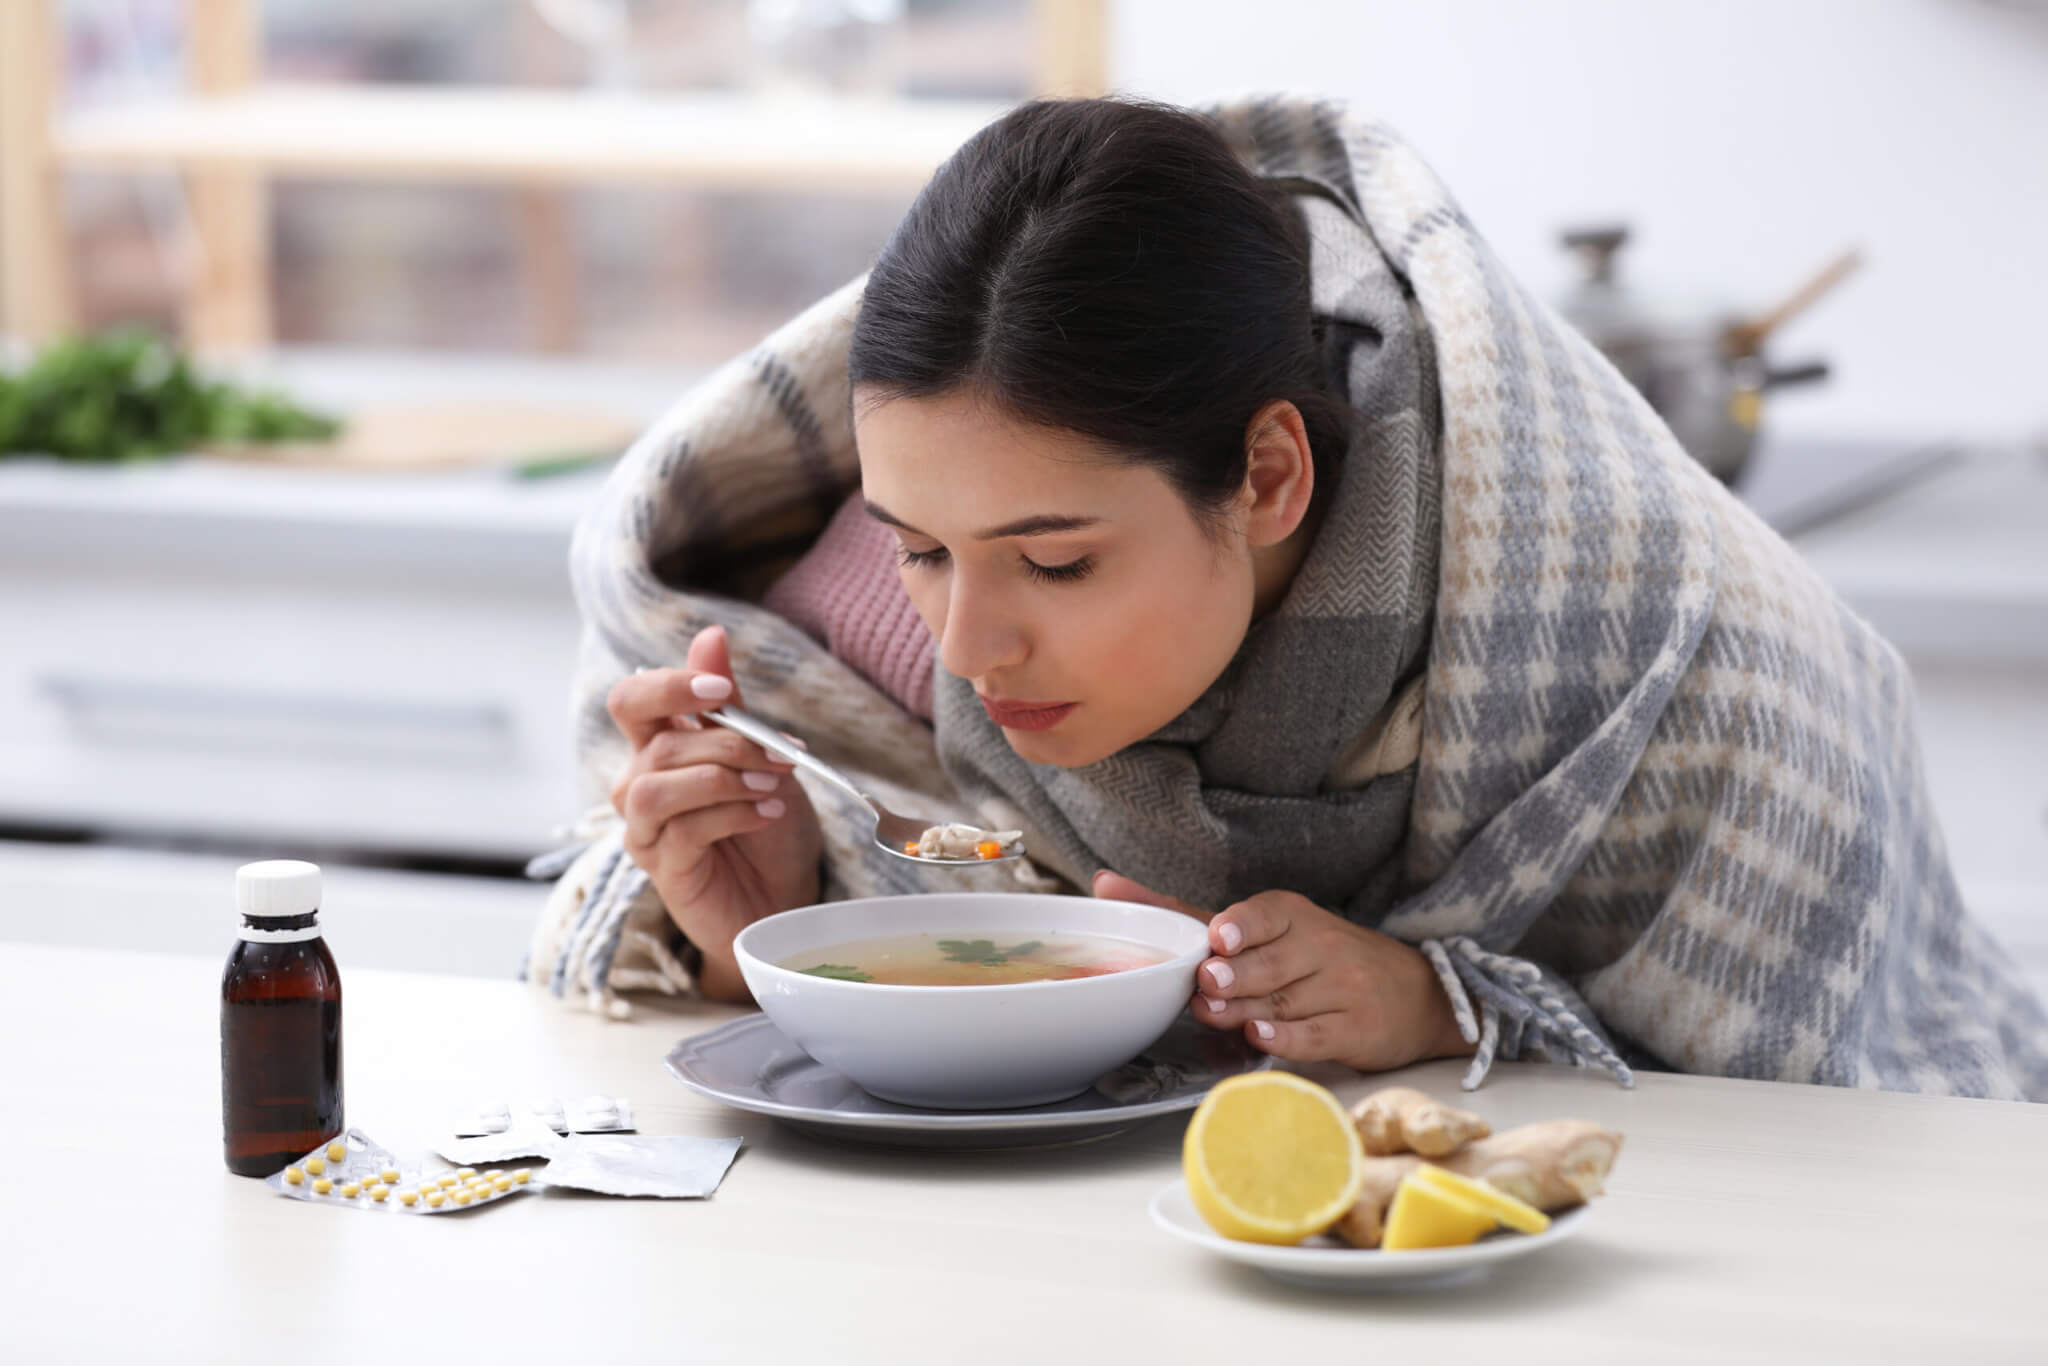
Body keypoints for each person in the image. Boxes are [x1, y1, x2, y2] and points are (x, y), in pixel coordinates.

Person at [531, 95, 2046, 1100]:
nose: (968, 646)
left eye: (1055, 561)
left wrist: (1457, 1009)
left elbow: (1863, 1117)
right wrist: (773, 921)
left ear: (1266, 477)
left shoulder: (1688, 647)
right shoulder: (823, 633)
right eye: (922, 544)